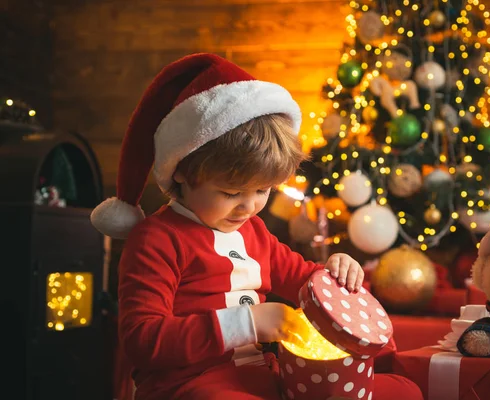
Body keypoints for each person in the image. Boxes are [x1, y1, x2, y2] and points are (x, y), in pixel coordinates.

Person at [91, 53, 422, 400]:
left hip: (265, 375)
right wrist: (248, 323)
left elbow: (304, 279)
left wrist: (336, 271)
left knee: (402, 391)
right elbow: (143, 340)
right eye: (231, 192)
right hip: (189, 385)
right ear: (182, 172)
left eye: (263, 191)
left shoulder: (254, 233)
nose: (249, 207)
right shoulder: (157, 239)